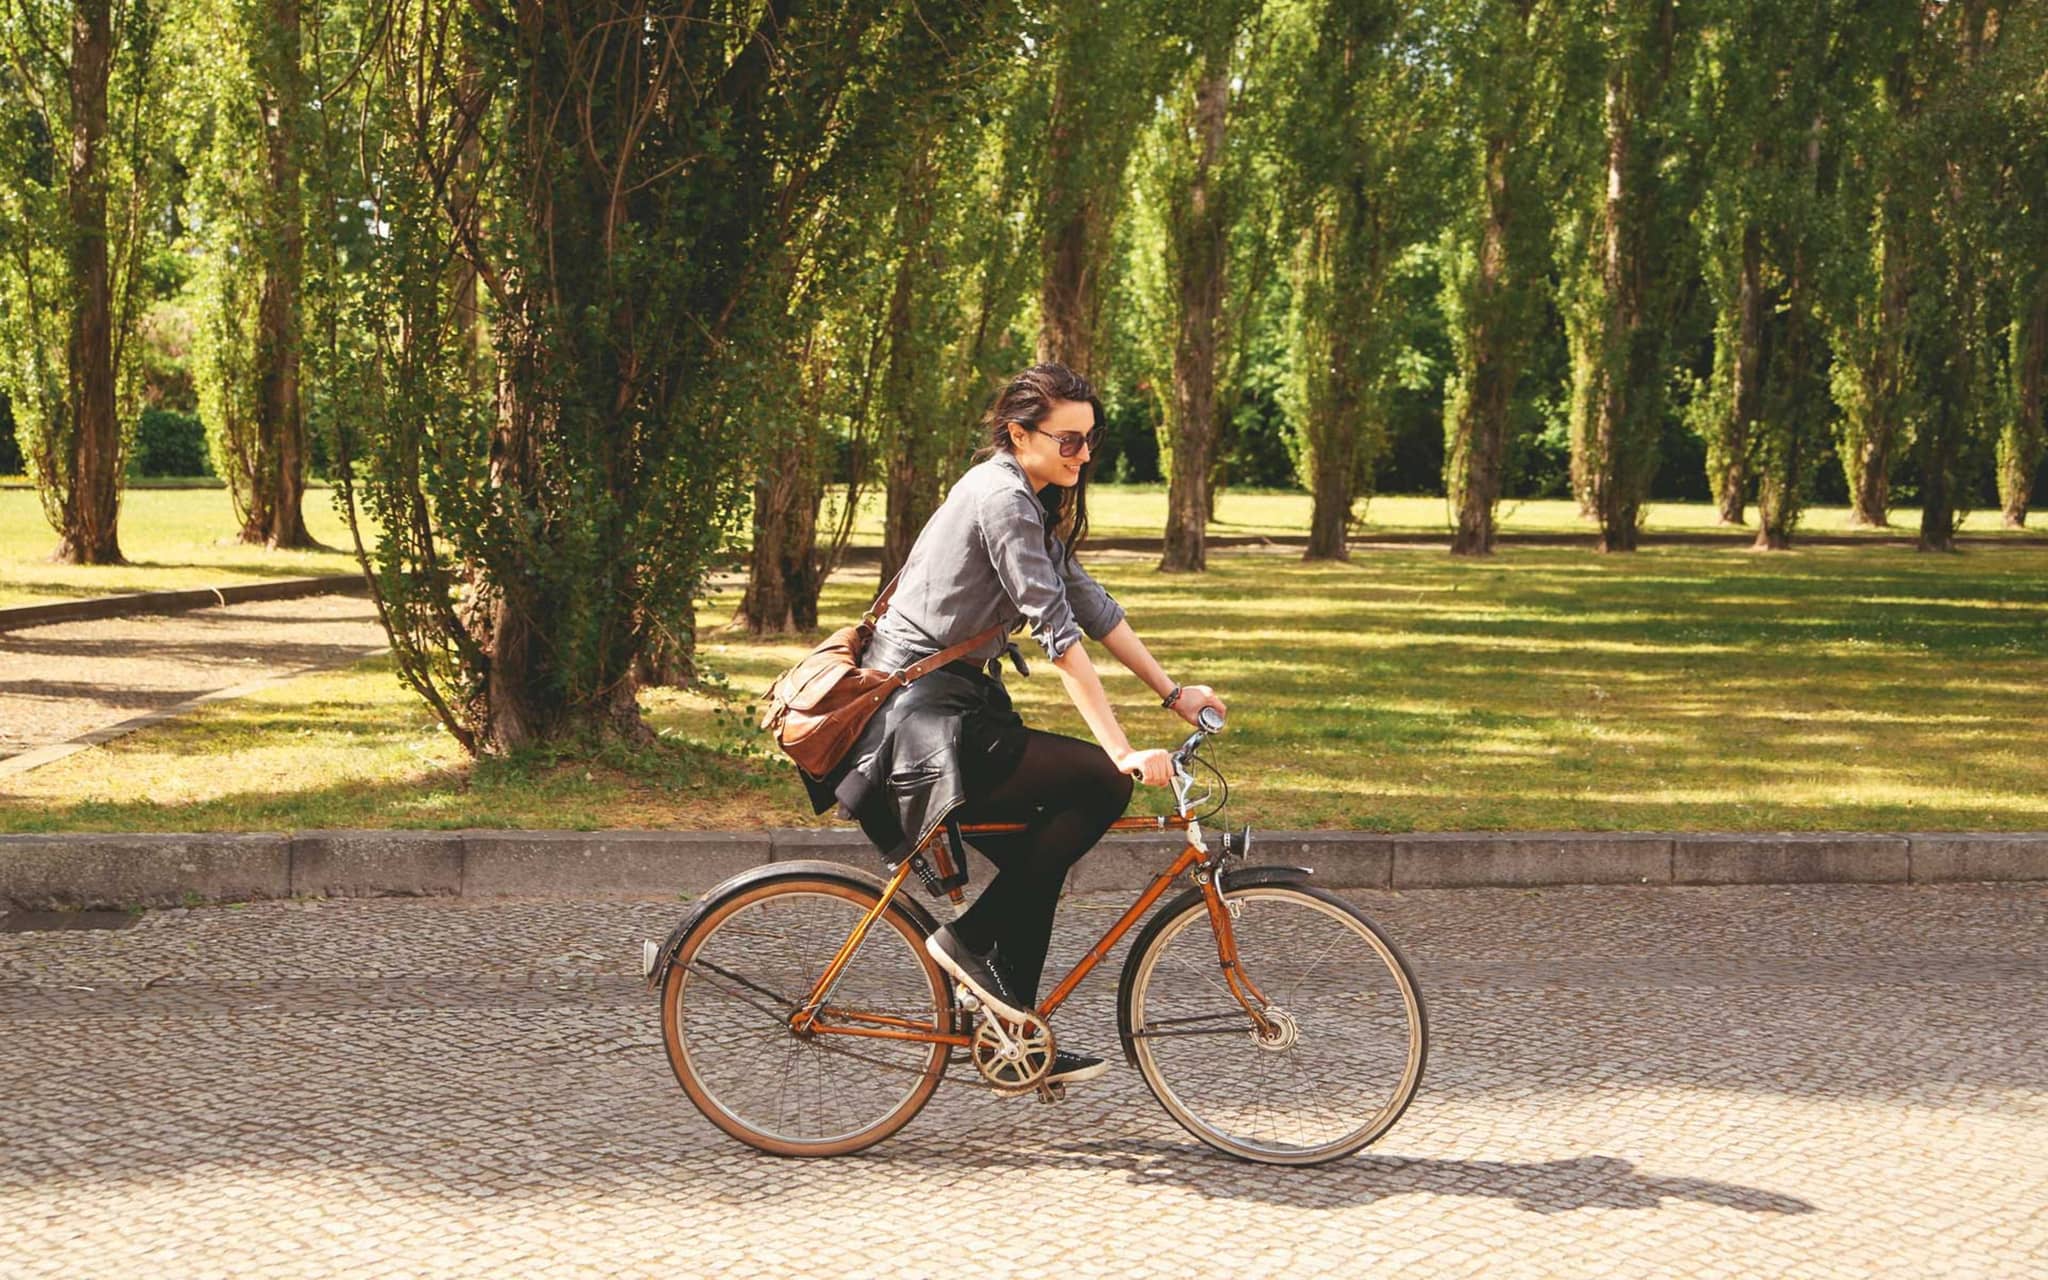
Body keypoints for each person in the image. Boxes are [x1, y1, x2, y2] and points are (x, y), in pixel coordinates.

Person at [799, 363, 1226, 1088]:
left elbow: (1088, 602)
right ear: (1020, 434)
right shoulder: (1001, 498)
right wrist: (1120, 751)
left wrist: (1173, 692)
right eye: (1069, 441)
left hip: (954, 704)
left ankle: (1016, 1032)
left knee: (1045, 846)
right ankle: (967, 943)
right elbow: (1059, 636)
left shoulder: (1024, 497)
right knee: (1099, 785)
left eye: (1090, 440)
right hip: (917, 719)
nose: (1083, 456)